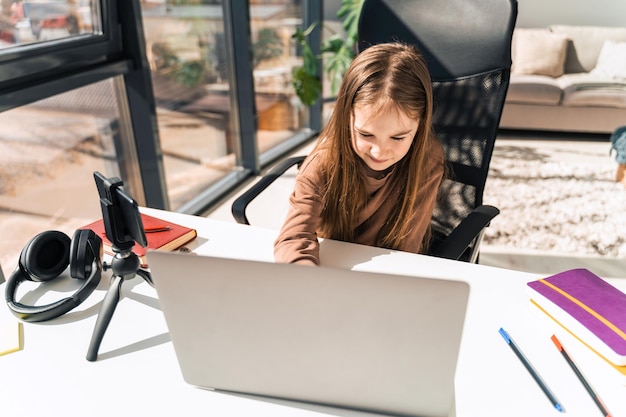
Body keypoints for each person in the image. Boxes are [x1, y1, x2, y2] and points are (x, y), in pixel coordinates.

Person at [274, 42, 445, 266]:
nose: (379, 151)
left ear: (420, 125)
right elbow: (294, 238)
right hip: (331, 269)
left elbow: (407, 250)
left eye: (398, 137)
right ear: (347, 118)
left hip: (388, 274)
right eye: (366, 134)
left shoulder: (427, 161)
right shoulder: (323, 163)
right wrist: (306, 275)